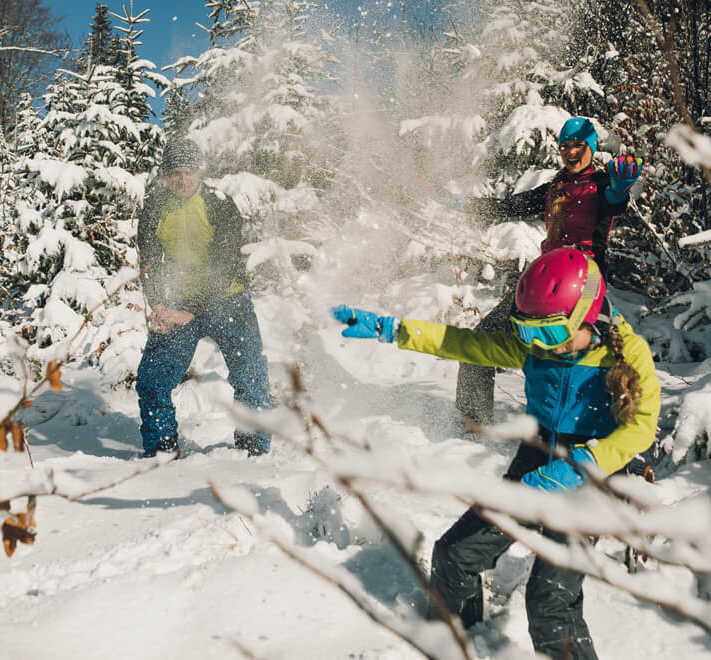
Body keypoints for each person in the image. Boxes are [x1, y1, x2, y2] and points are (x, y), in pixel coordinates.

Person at [332, 247, 660, 660]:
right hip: (537, 459)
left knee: (549, 602)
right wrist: (393, 330)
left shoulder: (627, 355)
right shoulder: (537, 349)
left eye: (552, 334)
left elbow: (642, 426)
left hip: (593, 474)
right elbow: (463, 344)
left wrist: (584, 465)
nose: (540, 345)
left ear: (587, 315)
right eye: (528, 332)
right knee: (454, 555)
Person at [456, 116, 643, 425]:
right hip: (545, 286)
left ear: (591, 148)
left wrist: (618, 192)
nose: (571, 153)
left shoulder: (601, 184)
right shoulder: (554, 188)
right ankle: (472, 426)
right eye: (565, 147)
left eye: (578, 146)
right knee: (480, 343)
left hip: (584, 289)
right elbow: (508, 207)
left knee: (598, 362)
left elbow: (612, 204)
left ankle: (606, 441)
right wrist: (466, 204)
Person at [135, 138, 273, 457]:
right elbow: (150, 263)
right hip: (177, 302)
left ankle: (254, 452)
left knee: (250, 377)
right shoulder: (154, 208)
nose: (182, 180)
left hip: (228, 300)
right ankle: (161, 451)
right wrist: (159, 303)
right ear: (165, 175)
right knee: (152, 379)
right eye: (174, 174)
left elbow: (225, 263)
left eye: (188, 172)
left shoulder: (219, 203)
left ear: (199, 172)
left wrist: (194, 311)